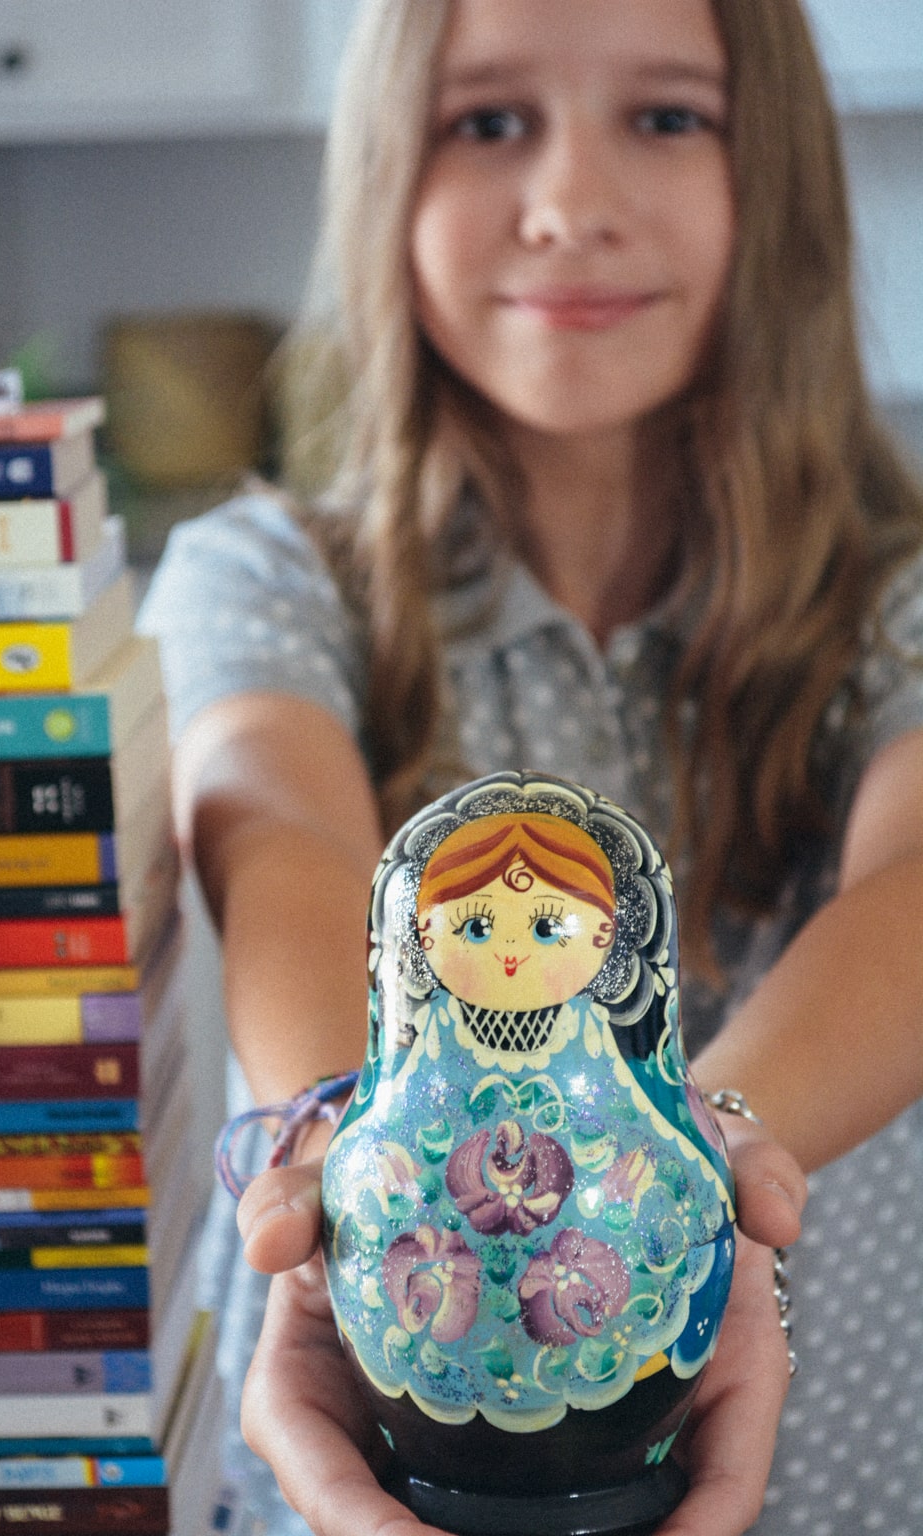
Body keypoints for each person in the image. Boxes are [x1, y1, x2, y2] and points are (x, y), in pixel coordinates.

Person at [137, 0, 923, 1531]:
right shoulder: (262, 578)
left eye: (668, 118)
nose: (570, 206)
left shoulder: (894, 600)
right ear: (387, 174)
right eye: (489, 122)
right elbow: (276, 830)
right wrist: (343, 1156)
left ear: (777, 177)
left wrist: (681, 1179)